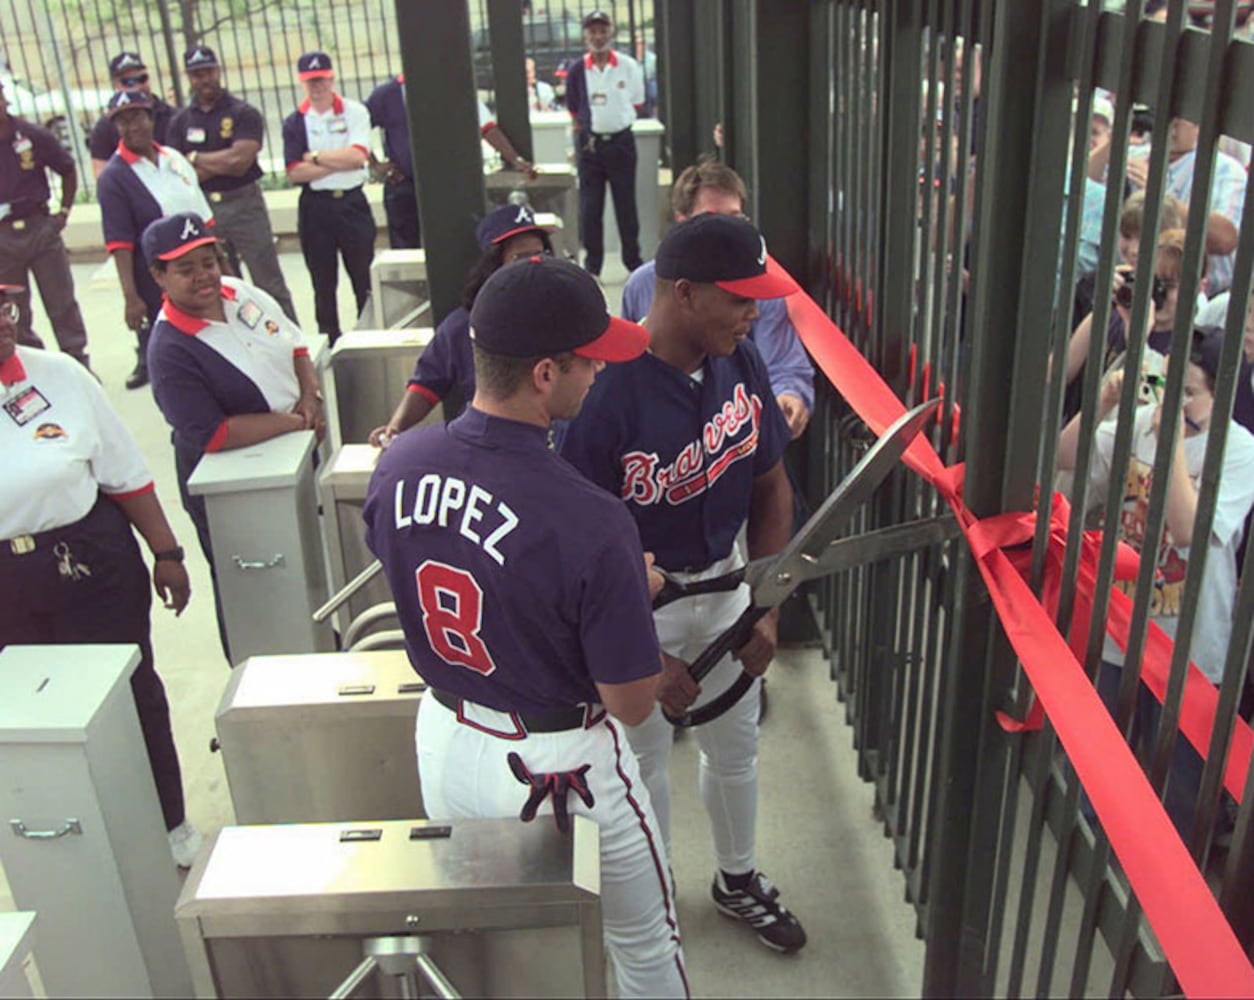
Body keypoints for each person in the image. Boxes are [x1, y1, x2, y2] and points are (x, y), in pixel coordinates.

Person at [362, 254, 689, 998]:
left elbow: (414, 563)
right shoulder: (592, 517)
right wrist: (629, 593)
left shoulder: (400, 462)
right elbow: (634, 701)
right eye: (589, 361)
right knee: (642, 944)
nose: (601, 373)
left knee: (501, 949)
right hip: (557, 763)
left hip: (444, 739)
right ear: (544, 373)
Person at [560, 214, 808, 953]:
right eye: (738, 297)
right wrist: (638, 651)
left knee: (736, 747)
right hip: (639, 608)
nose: (754, 311)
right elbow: (576, 548)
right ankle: (655, 894)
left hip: (728, 587)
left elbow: (772, 489)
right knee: (640, 766)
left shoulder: (741, 362)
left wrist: (765, 605)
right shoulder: (602, 388)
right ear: (683, 292)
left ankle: (736, 879)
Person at [0, 283, 201, 868]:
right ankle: (68, 845)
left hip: (91, 559)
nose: (3, 321)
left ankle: (169, 825)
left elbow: (124, 472)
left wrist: (167, 552)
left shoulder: (58, 375)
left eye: (4, 307)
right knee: (31, 716)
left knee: (131, 693)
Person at [1057, 327, 1254, 837]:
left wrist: (1173, 443)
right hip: (1122, 627)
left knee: (1179, 794)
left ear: (1222, 392)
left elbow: (1188, 529)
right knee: (1098, 775)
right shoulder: (1137, 423)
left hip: (1188, 645)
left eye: (1190, 392)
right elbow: (1063, 457)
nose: (1176, 401)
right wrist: (1102, 403)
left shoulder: (1240, 450)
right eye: (1170, 386)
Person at [143, 212, 323, 663]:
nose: (203, 276)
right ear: (158, 276)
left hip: (295, 450)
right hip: (237, 482)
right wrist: (297, 421)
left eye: (208, 261)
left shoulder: (239, 292)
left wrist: (310, 395)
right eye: (186, 269)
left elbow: (295, 343)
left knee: (309, 564)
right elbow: (213, 432)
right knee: (250, 587)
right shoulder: (169, 350)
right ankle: (253, 669)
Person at [621, 160, 815, 439]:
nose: (752, 312)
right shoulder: (640, 285)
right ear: (682, 220)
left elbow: (784, 362)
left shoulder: (750, 343)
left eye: (735, 217)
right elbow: (628, 365)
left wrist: (790, 394)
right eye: (712, 217)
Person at [369, 203, 554, 446]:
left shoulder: (565, 311)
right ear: (494, 264)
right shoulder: (464, 324)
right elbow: (427, 383)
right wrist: (395, 427)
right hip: (492, 446)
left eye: (540, 253)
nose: (534, 262)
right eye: (519, 257)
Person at [168, 45, 298, 322]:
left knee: (268, 280)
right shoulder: (180, 121)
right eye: (196, 74)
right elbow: (179, 173)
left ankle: (291, 342)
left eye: (208, 72)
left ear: (218, 71)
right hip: (204, 210)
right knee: (221, 286)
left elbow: (240, 161)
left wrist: (195, 158)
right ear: (189, 78)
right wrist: (214, 163)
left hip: (243, 205)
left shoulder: (242, 113)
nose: (204, 79)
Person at [97, 89, 213, 390]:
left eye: (136, 117)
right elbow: (119, 243)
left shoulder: (172, 158)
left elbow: (204, 216)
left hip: (199, 265)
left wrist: (222, 267)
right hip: (158, 278)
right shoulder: (114, 177)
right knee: (174, 351)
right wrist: (130, 298)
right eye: (122, 122)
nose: (131, 126)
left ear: (150, 118)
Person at [365, 72, 538, 250]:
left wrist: (514, 158)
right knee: (406, 246)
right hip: (404, 183)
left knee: (453, 242)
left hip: (447, 184)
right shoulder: (386, 94)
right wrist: (376, 165)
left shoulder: (453, 89)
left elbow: (487, 127)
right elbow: (358, 127)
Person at [282, 51, 374, 343]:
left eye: (321, 79)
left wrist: (317, 158)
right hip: (316, 208)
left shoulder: (354, 111)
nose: (317, 86)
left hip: (351, 203)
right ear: (302, 83)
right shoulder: (295, 121)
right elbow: (295, 172)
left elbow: (359, 157)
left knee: (362, 275)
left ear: (332, 78)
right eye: (310, 81)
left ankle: (367, 332)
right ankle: (330, 338)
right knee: (323, 281)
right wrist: (337, 162)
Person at [0, 80, 91, 368]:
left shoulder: (32, 135)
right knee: (15, 310)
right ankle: (34, 366)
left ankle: (77, 362)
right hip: (2, 237)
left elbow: (67, 169)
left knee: (61, 302)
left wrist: (62, 212)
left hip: (39, 227)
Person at [564, 9, 645, 277]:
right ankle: (593, 267)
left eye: (603, 31)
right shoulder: (577, 69)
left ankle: (633, 261)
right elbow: (574, 107)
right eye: (592, 31)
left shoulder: (627, 65)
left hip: (621, 142)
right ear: (586, 35)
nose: (598, 37)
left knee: (626, 204)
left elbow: (636, 101)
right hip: (590, 145)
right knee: (590, 207)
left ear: (611, 33)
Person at [88, 52, 176, 179]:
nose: (138, 86)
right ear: (116, 85)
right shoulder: (105, 127)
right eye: (128, 82)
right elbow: (102, 177)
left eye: (142, 79)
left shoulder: (173, 116)